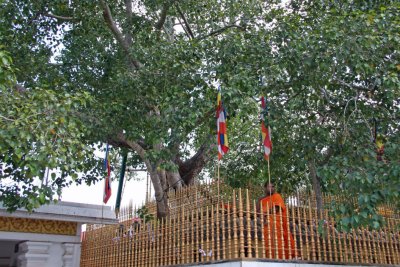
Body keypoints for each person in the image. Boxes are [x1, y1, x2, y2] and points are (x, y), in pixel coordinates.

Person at [258, 182, 295, 259]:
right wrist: (259, 201)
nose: (271, 188)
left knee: (279, 242)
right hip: (266, 225)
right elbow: (257, 211)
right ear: (265, 188)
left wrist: (265, 213)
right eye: (269, 186)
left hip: (277, 224)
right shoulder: (262, 200)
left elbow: (277, 208)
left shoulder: (277, 196)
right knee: (268, 243)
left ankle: (282, 258)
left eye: (273, 186)